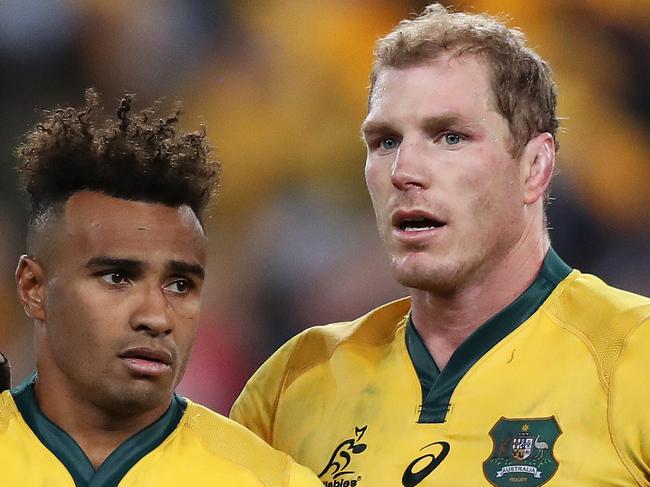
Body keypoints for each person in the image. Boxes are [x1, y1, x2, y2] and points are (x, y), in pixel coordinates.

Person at [230, 4, 650, 486]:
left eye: (450, 137)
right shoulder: (293, 385)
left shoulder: (634, 358)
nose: (405, 171)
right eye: (385, 141)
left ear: (535, 166)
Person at [0, 90, 322, 486]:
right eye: (117, 277)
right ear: (34, 287)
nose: (156, 317)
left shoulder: (268, 480)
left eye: (180, 285)